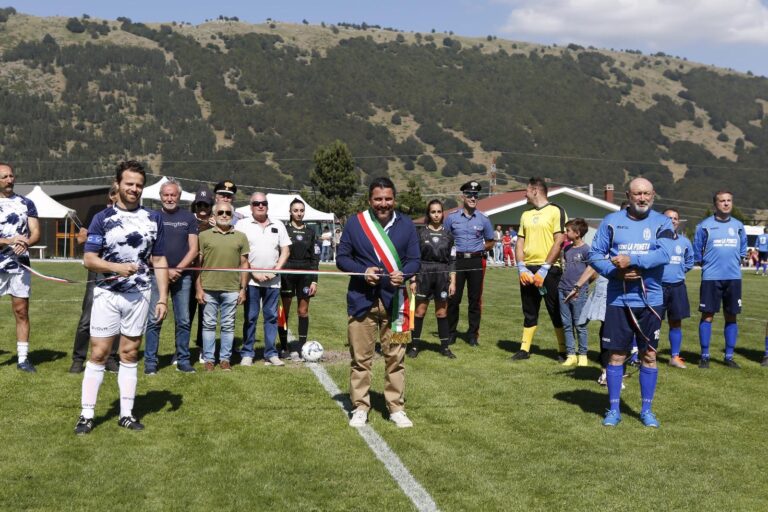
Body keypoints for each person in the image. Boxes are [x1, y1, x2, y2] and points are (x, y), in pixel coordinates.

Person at [74, 160, 169, 435]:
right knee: (99, 353)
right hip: (107, 294)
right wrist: (116, 267)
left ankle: (126, 414)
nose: (134, 189)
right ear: (118, 184)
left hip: (139, 295)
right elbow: (89, 259)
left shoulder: (154, 218)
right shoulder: (102, 218)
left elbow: (160, 259)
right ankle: (87, 414)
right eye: (129, 183)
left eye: (139, 185)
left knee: (129, 353)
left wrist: (162, 298)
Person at [589, 177, 673, 428]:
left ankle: (646, 410)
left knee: (649, 355)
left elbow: (665, 253)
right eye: (637, 194)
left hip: (651, 300)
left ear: (653, 194)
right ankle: (613, 409)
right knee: (616, 355)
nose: (642, 198)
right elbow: (595, 255)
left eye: (647, 193)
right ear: (628, 195)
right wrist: (616, 272)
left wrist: (632, 259)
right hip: (619, 300)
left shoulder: (663, 222)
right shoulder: (611, 222)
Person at [337, 177, 420, 428]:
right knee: (360, 359)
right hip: (362, 302)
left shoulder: (407, 225)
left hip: (397, 304)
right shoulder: (355, 223)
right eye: (378, 199)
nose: (383, 204)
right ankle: (360, 407)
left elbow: (415, 260)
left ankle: (396, 408)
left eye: (388, 199)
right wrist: (363, 271)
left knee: (396, 357)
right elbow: (342, 258)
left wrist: (403, 274)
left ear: (394, 199)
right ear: (370, 200)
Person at [143, 179, 199, 374]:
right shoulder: (151, 216)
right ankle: (150, 362)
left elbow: (193, 249)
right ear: (160, 197)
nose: (169, 198)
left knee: (183, 320)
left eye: (173, 194)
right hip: (156, 275)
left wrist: (178, 270)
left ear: (179, 196)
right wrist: (164, 271)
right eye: (166, 195)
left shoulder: (189, 218)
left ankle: (183, 360)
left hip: (182, 277)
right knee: (154, 319)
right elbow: (147, 247)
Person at [512, 177, 567, 361]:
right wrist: (521, 268)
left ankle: (562, 350)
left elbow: (559, 240)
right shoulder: (525, 214)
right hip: (528, 269)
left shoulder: (556, 210)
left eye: (526, 190)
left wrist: (544, 269)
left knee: (556, 310)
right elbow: (520, 241)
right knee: (529, 310)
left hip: (550, 270)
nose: (524, 194)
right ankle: (524, 349)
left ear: (535, 190)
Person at [69, 184, 120, 374]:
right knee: (87, 317)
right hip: (97, 268)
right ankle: (78, 359)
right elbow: (80, 238)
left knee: (116, 316)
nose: (115, 196)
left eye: (118, 193)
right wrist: (98, 235)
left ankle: (110, 358)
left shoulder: (128, 214)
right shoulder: (96, 211)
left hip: (118, 269)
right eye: (113, 193)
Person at [235, 191, 291, 367]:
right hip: (251, 281)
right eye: (257, 203)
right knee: (250, 317)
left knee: (272, 317)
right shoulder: (242, 224)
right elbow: (239, 253)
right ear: (251, 206)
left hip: (273, 281)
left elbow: (285, 250)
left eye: (264, 203)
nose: (260, 206)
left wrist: (276, 270)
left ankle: (271, 353)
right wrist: (254, 273)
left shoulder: (278, 224)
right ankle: (247, 353)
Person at [693, 191, 747, 369]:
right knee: (707, 316)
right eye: (722, 201)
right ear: (715, 204)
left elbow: (742, 252)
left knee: (731, 317)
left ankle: (729, 356)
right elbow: (697, 252)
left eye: (729, 200)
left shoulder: (739, 226)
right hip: (711, 278)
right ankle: (705, 355)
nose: (726, 204)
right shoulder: (704, 226)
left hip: (733, 278)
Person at [196, 201, 249, 371]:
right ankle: (209, 359)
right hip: (208, 287)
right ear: (214, 215)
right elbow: (197, 264)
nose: (224, 215)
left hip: (232, 288)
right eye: (221, 213)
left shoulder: (241, 237)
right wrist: (198, 288)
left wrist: (243, 288)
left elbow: (244, 264)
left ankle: (225, 359)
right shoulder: (203, 236)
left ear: (232, 216)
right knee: (208, 324)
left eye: (227, 213)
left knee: (228, 325)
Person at [0, 162, 40, 372]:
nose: (10, 180)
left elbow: (35, 232)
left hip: (19, 265)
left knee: (21, 311)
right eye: (5, 177)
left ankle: (23, 359)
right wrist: (8, 241)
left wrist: (26, 242)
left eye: (11, 176)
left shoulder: (27, 203)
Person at [444, 181, 494, 347]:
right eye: (470, 195)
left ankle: (472, 335)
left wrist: (480, 248)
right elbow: (446, 239)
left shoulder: (484, 219)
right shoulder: (451, 218)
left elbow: (491, 241)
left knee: (475, 299)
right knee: (453, 298)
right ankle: (451, 333)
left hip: (475, 261)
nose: (473, 198)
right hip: (457, 261)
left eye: (475, 195)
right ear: (463, 197)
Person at [407, 199, 456, 359]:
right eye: (433, 211)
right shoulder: (420, 233)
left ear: (443, 214)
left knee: (442, 312)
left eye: (439, 211)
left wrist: (453, 281)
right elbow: (414, 258)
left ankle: (445, 347)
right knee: (420, 312)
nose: (436, 214)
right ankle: (414, 346)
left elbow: (452, 260)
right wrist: (413, 279)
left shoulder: (448, 235)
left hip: (442, 275)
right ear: (428, 214)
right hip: (424, 273)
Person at [277, 198, 319, 361]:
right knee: (284, 311)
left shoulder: (310, 231)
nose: (299, 213)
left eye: (301, 210)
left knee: (303, 311)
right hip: (287, 272)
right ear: (290, 212)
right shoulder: (284, 229)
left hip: (305, 274)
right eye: (296, 210)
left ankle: (303, 347)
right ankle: (284, 347)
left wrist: (314, 280)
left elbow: (315, 257)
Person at [661, 208, 694, 369]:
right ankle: (640, 354)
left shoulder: (684, 242)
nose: (672, 221)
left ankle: (674, 357)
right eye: (669, 218)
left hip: (677, 287)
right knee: (650, 322)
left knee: (676, 322)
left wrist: (679, 272)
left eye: (675, 218)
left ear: (678, 222)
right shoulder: (656, 240)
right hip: (657, 287)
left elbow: (689, 262)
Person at [558, 218, 590, 367]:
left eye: (568, 230)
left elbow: (592, 272)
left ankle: (582, 355)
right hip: (562, 289)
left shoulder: (586, 250)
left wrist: (581, 288)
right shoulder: (567, 249)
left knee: (580, 324)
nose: (566, 233)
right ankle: (571, 354)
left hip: (578, 293)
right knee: (566, 324)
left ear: (577, 233)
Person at [189, 186, 214, 357]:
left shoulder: (217, 224)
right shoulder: (188, 222)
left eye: (206, 206)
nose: (202, 209)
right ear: (195, 207)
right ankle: (182, 349)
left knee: (206, 315)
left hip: (208, 276)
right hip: (188, 276)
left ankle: (203, 347)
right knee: (186, 316)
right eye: (199, 206)